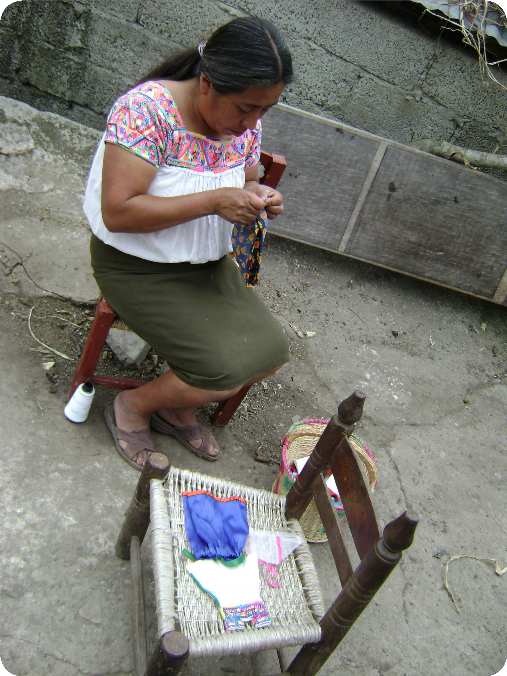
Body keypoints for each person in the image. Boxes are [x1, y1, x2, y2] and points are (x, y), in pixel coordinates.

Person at [83, 16, 293, 470]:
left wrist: (258, 195)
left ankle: (176, 407)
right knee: (221, 371)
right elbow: (118, 213)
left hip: (204, 263)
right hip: (135, 265)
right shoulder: (146, 112)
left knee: (271, 354)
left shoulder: (243, 124)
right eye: (246, 107)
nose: (253, 122)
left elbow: (246, 176)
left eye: (265, 110)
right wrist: (214, 201)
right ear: (206, 83)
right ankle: (132, 407)